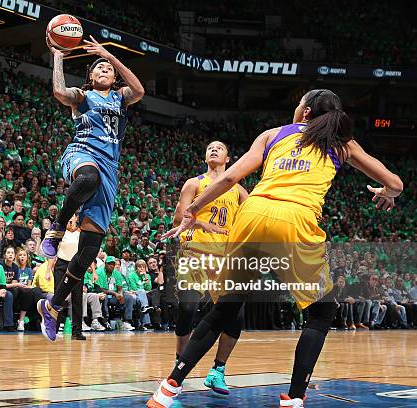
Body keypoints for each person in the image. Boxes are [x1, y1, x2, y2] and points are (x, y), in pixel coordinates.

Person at [148, 89, 404, 408]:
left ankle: (168, 388)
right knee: (322, 312)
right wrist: (386, 192)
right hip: (295, 219)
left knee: (224, 308)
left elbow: (230, 178)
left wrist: (192, 210)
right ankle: (294, 398)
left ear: (306, 111)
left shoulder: (273, 134)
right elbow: (396, 184)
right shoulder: (342, 143)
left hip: (252, 213)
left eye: (298, 105)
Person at [38, 35, 145, 342]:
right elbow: (59, 91)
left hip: (110, 169)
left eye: (107, 69)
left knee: (88, 252)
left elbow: (139, 89)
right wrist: (58, 55)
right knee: (87, 178)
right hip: (82, 154)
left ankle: (54, 304)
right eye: (98, 68)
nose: (103, 71)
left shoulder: (121, 98)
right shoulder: (83, 96)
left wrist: (107, 54)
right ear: (89, 77)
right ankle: (57, 228)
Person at [169, 140, 249, 395]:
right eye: (209, 148)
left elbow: (254, 217)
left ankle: (218, 370)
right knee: (187, 308)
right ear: (206, 157)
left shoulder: (238, 191)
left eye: (219, 148)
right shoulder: (194, 184)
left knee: (234, 318)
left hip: (224, 260)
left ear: (228, 158)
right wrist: (202, 224)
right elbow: (178, 220)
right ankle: (179, 367)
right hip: (194, 254)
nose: (213, 150)